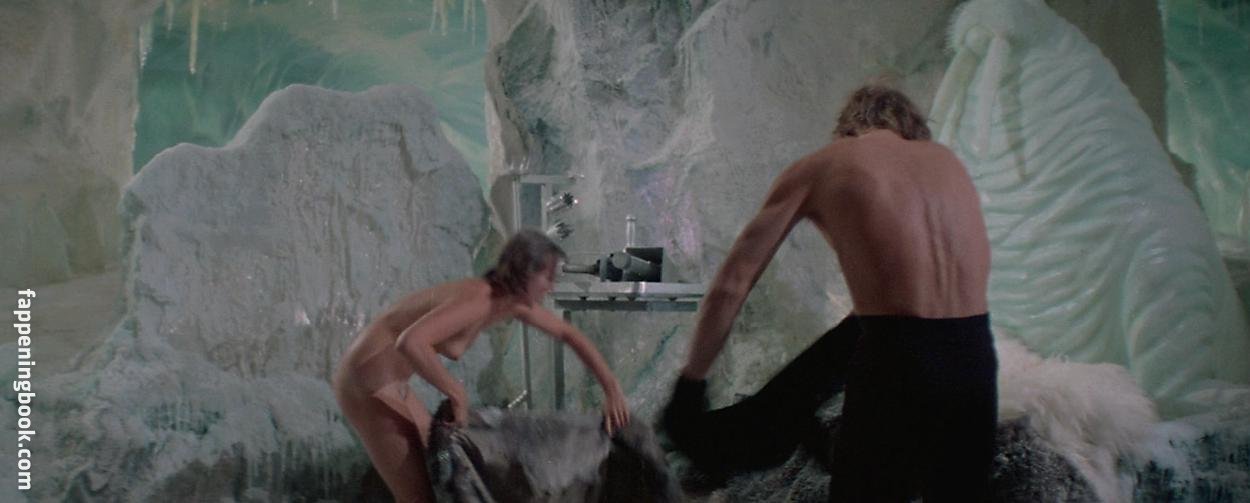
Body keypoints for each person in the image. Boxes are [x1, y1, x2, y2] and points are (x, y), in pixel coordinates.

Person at [663, 85, 998, 501]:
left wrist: (690, 385)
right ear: (911, 129)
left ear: (848, 127)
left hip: (899, 361)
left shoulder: (825, 164)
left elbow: (731, 287)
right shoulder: (948, 163)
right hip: (976, 361)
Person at [333, 229, 631, 502]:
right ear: (526, 273)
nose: (551, 287)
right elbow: (411, 342)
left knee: (439, 479)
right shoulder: (480, 298)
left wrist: (612, 388)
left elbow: (569, 334)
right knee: (419, 497)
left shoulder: (510, 303)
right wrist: (457, 394)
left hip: (391, 383)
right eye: (548, 277)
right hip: (365, 385)